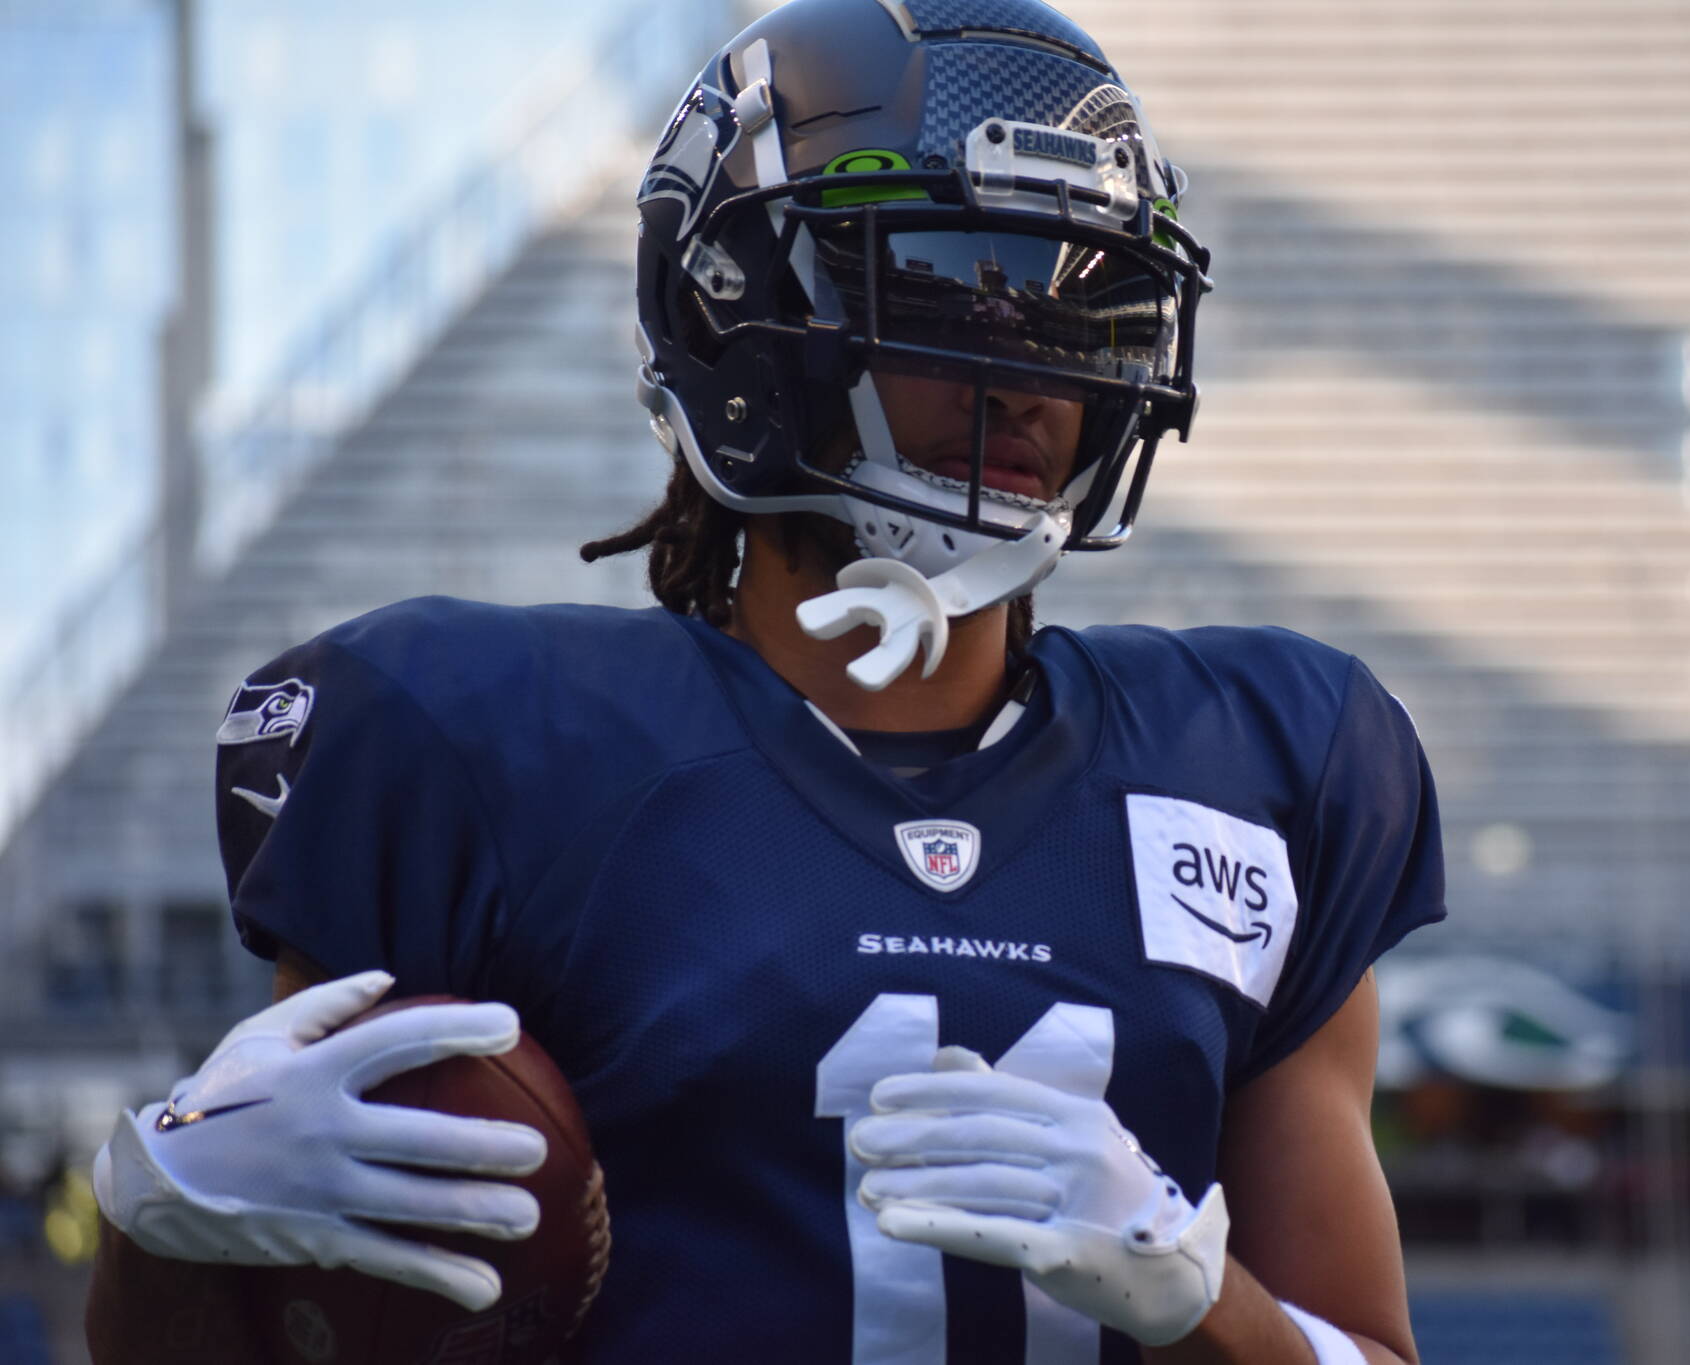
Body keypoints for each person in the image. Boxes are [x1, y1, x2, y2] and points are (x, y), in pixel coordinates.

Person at [88, 1, 1445, 1361]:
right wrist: (169, 1218)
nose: (1032, 362)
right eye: (956, 278)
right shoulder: (482, 748)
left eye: (1085, 300)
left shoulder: (1268, 766)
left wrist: (1195, 1295)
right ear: (746, 309)